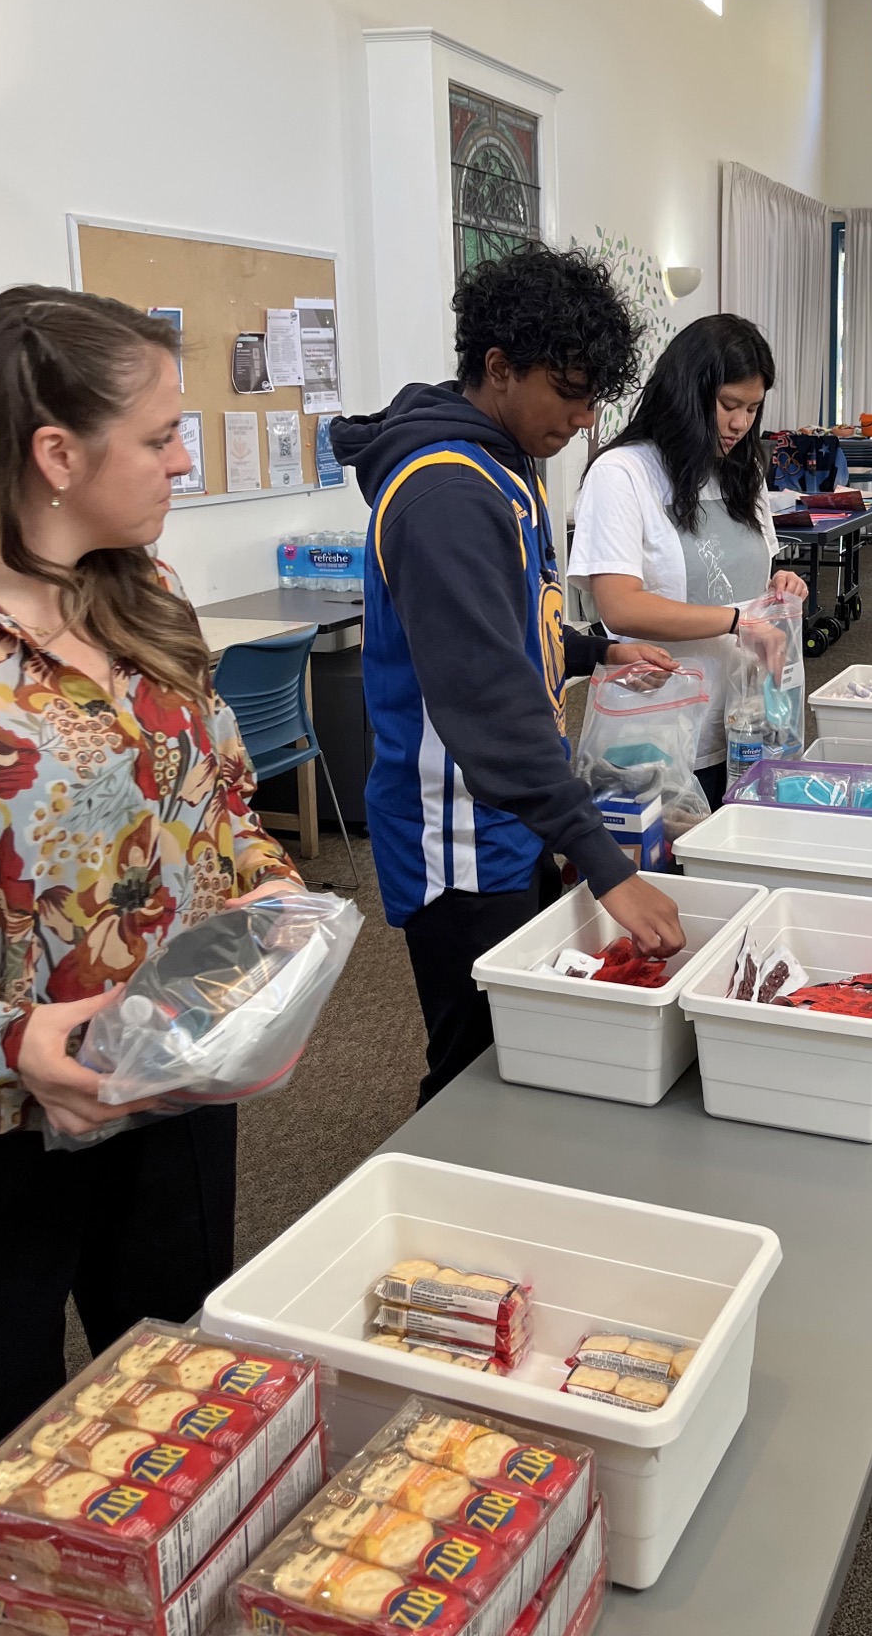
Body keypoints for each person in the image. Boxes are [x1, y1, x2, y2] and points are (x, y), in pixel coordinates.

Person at [0, 285, 307, 1457]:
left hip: (170, 1081)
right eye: (160, 436)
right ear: (56, 452)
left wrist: (271, 899)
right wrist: (9, 1041)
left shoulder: (145, 592)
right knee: (3, 1441)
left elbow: (222, 797)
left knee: (170, 1395)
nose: (183, 460)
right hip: (1, 1119)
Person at [331, 245, 684, 1106]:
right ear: (498, 367)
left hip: (512, 808)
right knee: (474, 1065)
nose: (582, 416)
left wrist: (596, 650)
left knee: (522, 1043)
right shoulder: (445, 493)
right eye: (567, 392)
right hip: (457, 827)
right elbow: (485, 699)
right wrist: (602, 858)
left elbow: (507, 626)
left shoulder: (503, 462)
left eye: (594, 395)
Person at [567, 316, 810, 809]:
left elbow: (741, 581)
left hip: (743, 726)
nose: (740, 424)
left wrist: (777, 588)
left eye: (752, 408)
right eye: (727, 406)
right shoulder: (624, 473)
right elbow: (620, 607)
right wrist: (739, 622)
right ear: (687, 393)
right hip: (658, 730)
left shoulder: (744, 472)